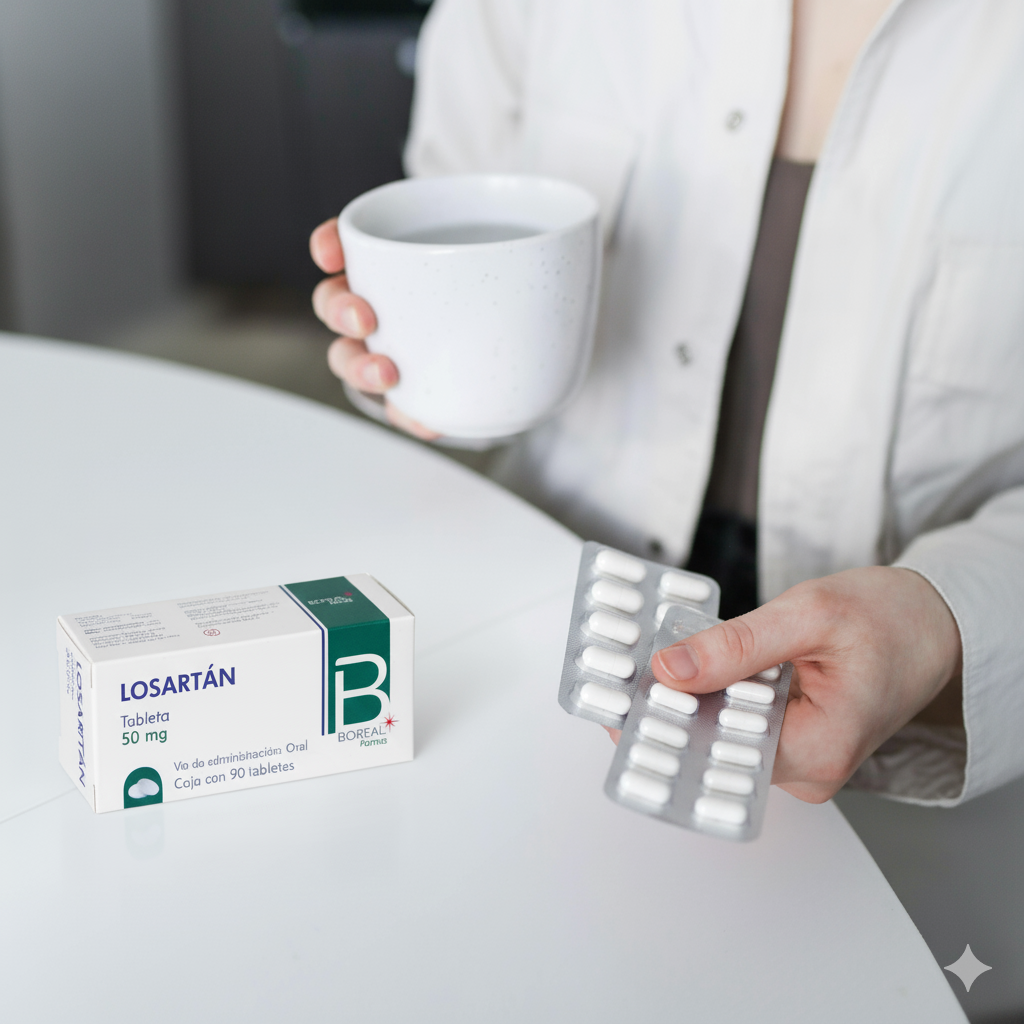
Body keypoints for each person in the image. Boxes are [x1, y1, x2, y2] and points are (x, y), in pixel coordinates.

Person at [309, 0, 1024, 807]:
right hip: (533, 647)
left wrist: (949, 620)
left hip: (928, 734)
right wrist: (397, 360)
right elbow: (431, 244)